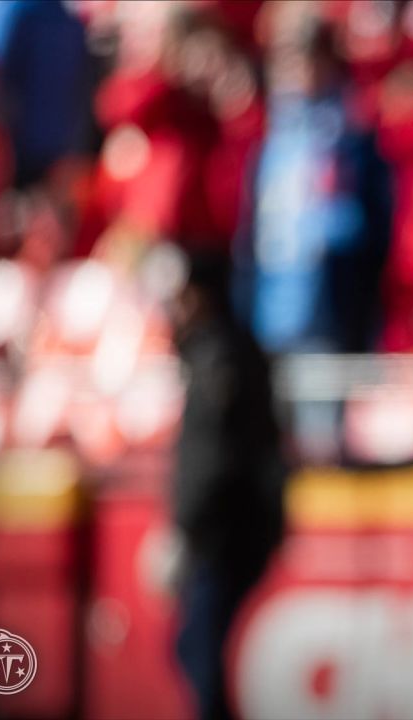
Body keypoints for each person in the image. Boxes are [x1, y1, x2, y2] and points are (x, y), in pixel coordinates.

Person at [168, 251, 286, 720]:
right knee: (194, 649)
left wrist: (185, 526)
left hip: (227, 533)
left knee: (198, 651)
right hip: (226, 531)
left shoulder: (223, 356)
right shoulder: (222, 350)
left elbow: (213, 457)